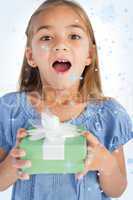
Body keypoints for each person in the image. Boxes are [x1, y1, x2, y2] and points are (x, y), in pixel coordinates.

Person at [0, 0, 132, 199]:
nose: (60, 45)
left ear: (89, 55)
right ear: (31, 56)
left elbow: (118, 189)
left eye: (74, 36)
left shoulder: (108, 115)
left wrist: (106, 164)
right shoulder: (11, 110)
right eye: (46, 37)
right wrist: (13, 165)